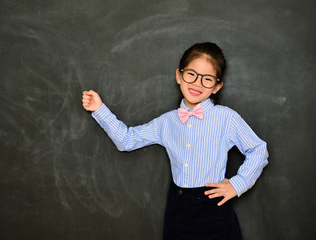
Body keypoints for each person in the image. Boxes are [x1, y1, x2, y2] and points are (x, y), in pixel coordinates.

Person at [82, 42, 268, 240]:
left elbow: (258, 149)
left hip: (213, 210)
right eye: (191, 74)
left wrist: (238, 184)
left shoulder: (226, 118)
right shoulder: (167, 121)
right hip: (178, 208)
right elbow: (127, 140)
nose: (197, 83)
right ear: (179, 75)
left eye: (207, 79)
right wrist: (100, 110)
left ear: (216, 86)